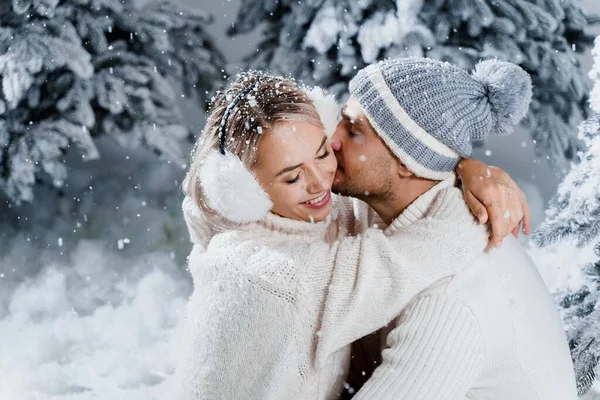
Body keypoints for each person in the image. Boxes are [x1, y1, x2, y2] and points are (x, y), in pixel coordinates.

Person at [174, 66, 526, 399]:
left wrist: (458, 161)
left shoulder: (254, 225)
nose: (320, 182)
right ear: (239, 188)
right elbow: (443, 240)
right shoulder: (287, 277)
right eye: (293, 177)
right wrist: (469, 185)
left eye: (322, 151)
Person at [330, 57, 577, 399]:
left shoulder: (453, 301)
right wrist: (464, 164)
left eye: (353, 131)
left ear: (406, 161)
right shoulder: (376, 208)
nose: (332, 140)